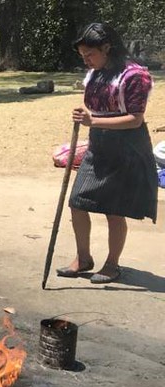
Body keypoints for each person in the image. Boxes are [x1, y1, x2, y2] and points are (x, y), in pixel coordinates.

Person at [57, 22, 158, 284]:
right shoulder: (95, 74)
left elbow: (135, 119)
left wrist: (93, 122)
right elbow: (95, 110)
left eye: (90, 55)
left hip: (127, 149)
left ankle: (112, 265)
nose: (86, 60)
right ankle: (83, 259)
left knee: (114, 210)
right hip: (99, 146)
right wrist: (84, 116)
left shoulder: (135, 76)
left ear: (107, 48)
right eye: (83, 56)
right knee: (78, 201)